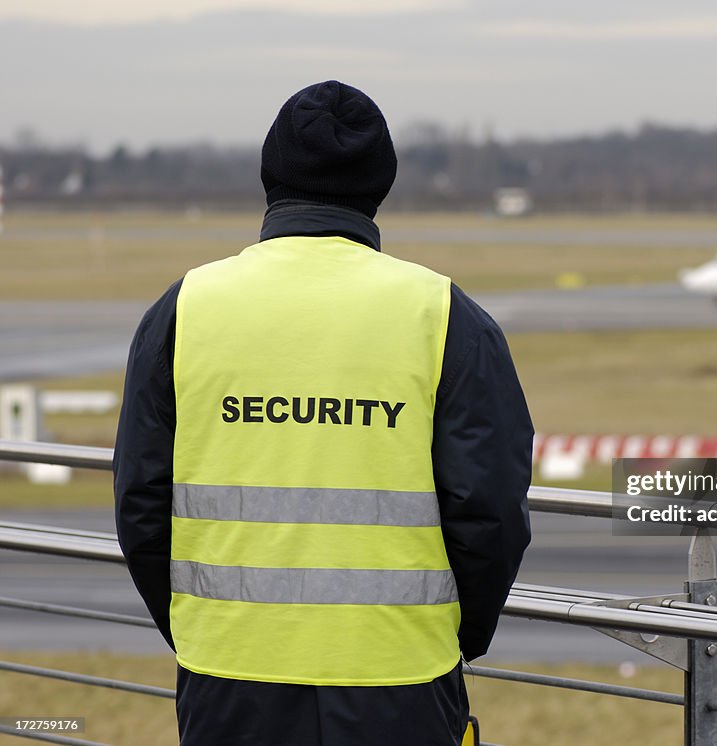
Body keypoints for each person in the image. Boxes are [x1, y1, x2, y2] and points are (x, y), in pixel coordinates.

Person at [113, 80, 533, 746]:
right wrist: (453, 637)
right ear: (380, 184)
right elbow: (491, 512)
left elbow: (141, 504)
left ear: (269, 175)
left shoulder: (183, 308)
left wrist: (201, 628)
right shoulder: (445, 314)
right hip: (398, 676)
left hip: (227, 674)